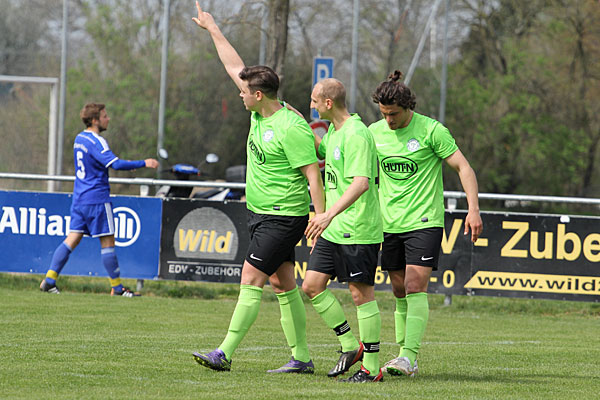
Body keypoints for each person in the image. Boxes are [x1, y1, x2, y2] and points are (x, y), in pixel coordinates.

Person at [191, 2, 326, 374]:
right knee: (284, 286)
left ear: (260, 95)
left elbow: (313, 175)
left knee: (251, 278)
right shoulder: (258, 110)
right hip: (261, 214)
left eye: (245, 91)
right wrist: (214, 29)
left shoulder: (291, 127)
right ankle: (301, 358)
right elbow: (235, 67)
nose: (240, 93)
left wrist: (320, 216)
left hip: (284, 217)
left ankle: (224, 352)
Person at [369, 70, 483, 377]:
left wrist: (473, 209)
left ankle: (407, 356)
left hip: (425, 221)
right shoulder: (374, 133)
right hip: (389, 223)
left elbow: (464, 168)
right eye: (384, 114)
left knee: (415, 284)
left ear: (409, 108)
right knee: (398, 289)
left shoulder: (432, 130)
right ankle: (406, 356)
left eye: (393, 114)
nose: (389, 121)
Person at [303, 78, 384, 383]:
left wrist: (326, 215)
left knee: (361, 295)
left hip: (358, 227)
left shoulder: (357, 133)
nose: (312, 105)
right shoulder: (335, 133)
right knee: (312, 286)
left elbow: (361, 183)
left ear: (328, 103)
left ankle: (372, 368)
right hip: (333, 228)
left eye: (314, 101)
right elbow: (318, 147)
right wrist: (288, 115)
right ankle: (351, 346)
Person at [39, 103, 159, 297]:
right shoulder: (97, 141)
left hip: (79, 199)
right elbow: (116, 164)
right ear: (94, 120)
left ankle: (49, 280)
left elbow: (98, 164)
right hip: (97, 199)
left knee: (72, 239)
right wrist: (144, 162)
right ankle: (118, 288)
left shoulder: (79, 138)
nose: (108, 118)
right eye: (104, 116)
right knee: (108, 242)